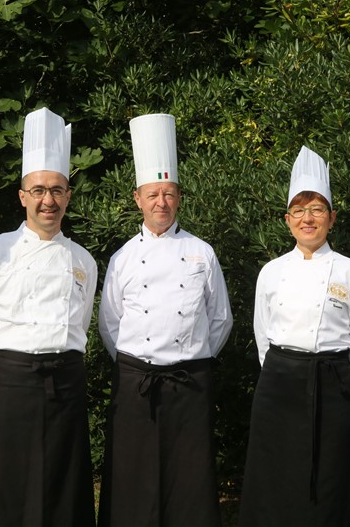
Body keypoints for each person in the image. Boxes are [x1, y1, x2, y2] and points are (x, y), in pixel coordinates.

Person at [0, 107, 97, 527]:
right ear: (22, 196)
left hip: (66, 382)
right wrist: (8, 367)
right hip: (8, 382)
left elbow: (82, 323)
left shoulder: (83, 260)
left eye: (57, 190)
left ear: (68, 196)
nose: (48, 200)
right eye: (38, 190)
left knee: (61, 481)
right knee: (3, 483)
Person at [97, 113, 234, 527]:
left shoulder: (201, 252)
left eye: (169, 193)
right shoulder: (122, 258)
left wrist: (192, 359)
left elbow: (220, 319)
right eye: (153, 193)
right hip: (136, 382)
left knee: (188, 474)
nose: (162, 202)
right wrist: (138, 361)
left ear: (179, 198)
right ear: (137, 198)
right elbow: (110, 323)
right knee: (132, 470)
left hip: (188, 381)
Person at [238, 146, 350, 527]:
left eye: (317, 209)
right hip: (279, 383)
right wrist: (279, 372)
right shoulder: (270, 271)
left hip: (333, 384)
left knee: (329, 476)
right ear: (287, 220)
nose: (308, 218)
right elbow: (262, 333)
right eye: (299, 210)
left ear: (331, 218)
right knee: (275, 474)